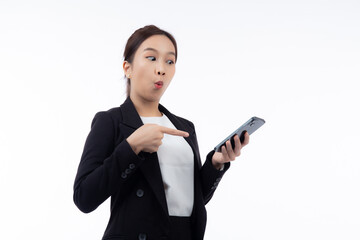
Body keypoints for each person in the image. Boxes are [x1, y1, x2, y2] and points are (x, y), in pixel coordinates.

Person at [73, 24, 250, 240]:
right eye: (151, 58)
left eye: (170, 61)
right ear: (127, 68)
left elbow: (191, 199)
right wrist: (132, 147)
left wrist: (216, 164)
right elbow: (84, 197)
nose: (161, 69)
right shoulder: (110, 121)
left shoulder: (184, 127)